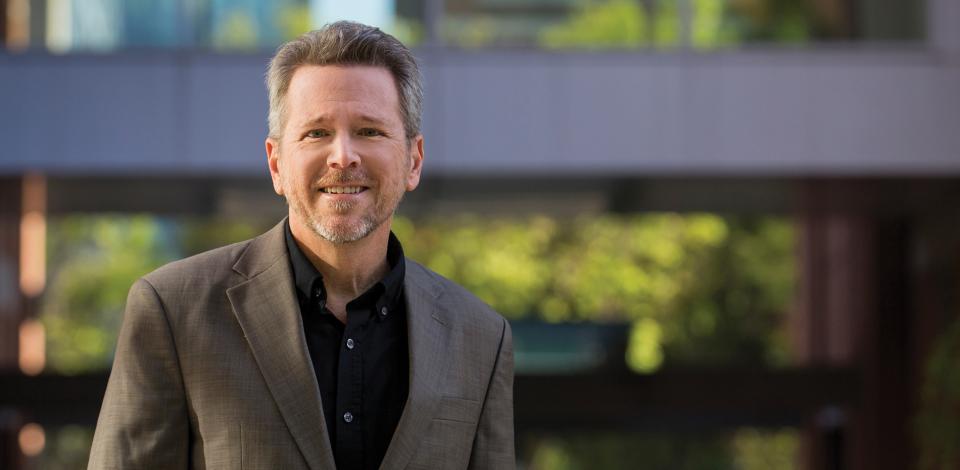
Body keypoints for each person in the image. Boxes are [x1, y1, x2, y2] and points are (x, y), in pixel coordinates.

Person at [88, 21, 515, 470]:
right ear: (276, 164)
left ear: (414, 160)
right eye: (316, 133)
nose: (342, 156)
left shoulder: (480, 338)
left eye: (370, 131)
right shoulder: (174, 312)